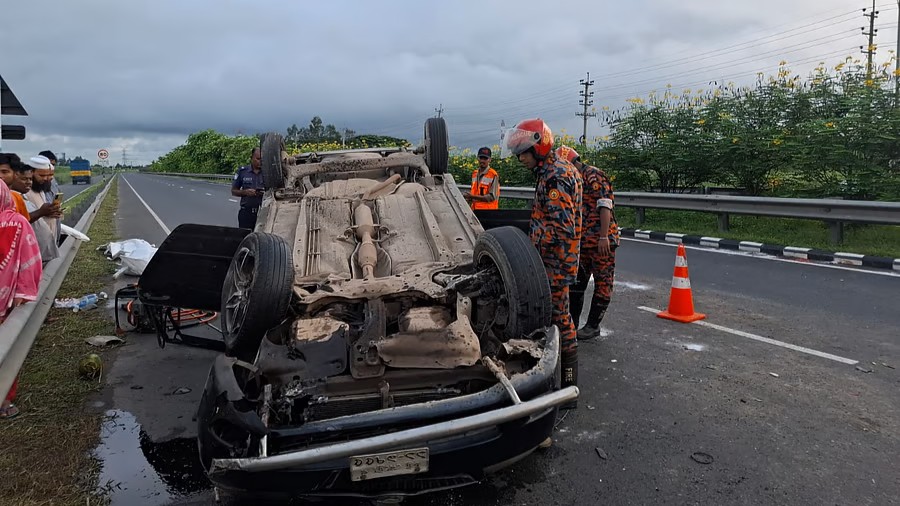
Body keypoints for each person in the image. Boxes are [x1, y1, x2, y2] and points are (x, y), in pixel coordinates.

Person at [504, 118, 583, 398]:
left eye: (523, 153)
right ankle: (561, 383)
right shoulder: (550, 171)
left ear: (539, 147)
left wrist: (528, 245)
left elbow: (562, 227)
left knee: (559, 318)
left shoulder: (556, 177)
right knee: (557, 317)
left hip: (556, 263)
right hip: (553, 261)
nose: (520, 159)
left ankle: (568, 385)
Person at [557, 146, 619, 339]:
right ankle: (572, 326)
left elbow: (605, 206)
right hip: (582, 242)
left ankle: (593, 325)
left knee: (603, 283)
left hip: (601, 241)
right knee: (577, 283)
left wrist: (603, 237)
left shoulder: (593, 175)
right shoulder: (572, 179)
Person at [0, 180, 44, 419]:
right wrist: (23, 293)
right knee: (7, 348)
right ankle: (5, 401)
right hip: (7, 301)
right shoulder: (17, 222)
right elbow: (32, 261)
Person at [23, 156, 61, 265]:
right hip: (31, 250)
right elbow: (21, 218)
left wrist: (51, 211)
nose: (46, 179)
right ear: (31, 173)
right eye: (42, 175)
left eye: (48, 175)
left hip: (46, 247)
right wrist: (41, 212)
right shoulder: (24, 191)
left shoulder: (41, 189)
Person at [231, 148, 263, 229]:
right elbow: (234, 191)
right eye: (258, 159)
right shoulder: (243, 172)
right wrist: (245, 192)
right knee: (245, 238)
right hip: (246, 213)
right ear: (251, 158)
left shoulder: (268, 173)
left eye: (262, 159)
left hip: (263, 213)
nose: (260, 161)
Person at [0, 153, 29, 218]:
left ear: (16, 174)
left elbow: (23, 224)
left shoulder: (17, 198)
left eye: (4, 172)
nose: (0, 176)